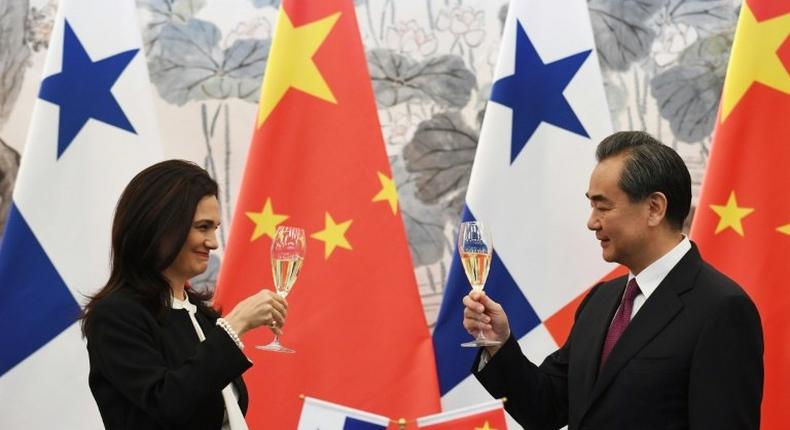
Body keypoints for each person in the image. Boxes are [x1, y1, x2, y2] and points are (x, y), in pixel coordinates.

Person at [463, 131, 763, 429]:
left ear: (654, 208)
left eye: (603, 207)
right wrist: (497, 342)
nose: (591, 222)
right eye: (591, 206)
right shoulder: (602, 300)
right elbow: (546, 407)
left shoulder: (721, 308)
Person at [81, 160, 287, 430]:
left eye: (215, 228)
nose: (213, 242)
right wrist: (234, 326)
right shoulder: (116, 315)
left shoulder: (201, 314)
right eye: (203, 227)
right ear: (159, 225)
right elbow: (166, 405)